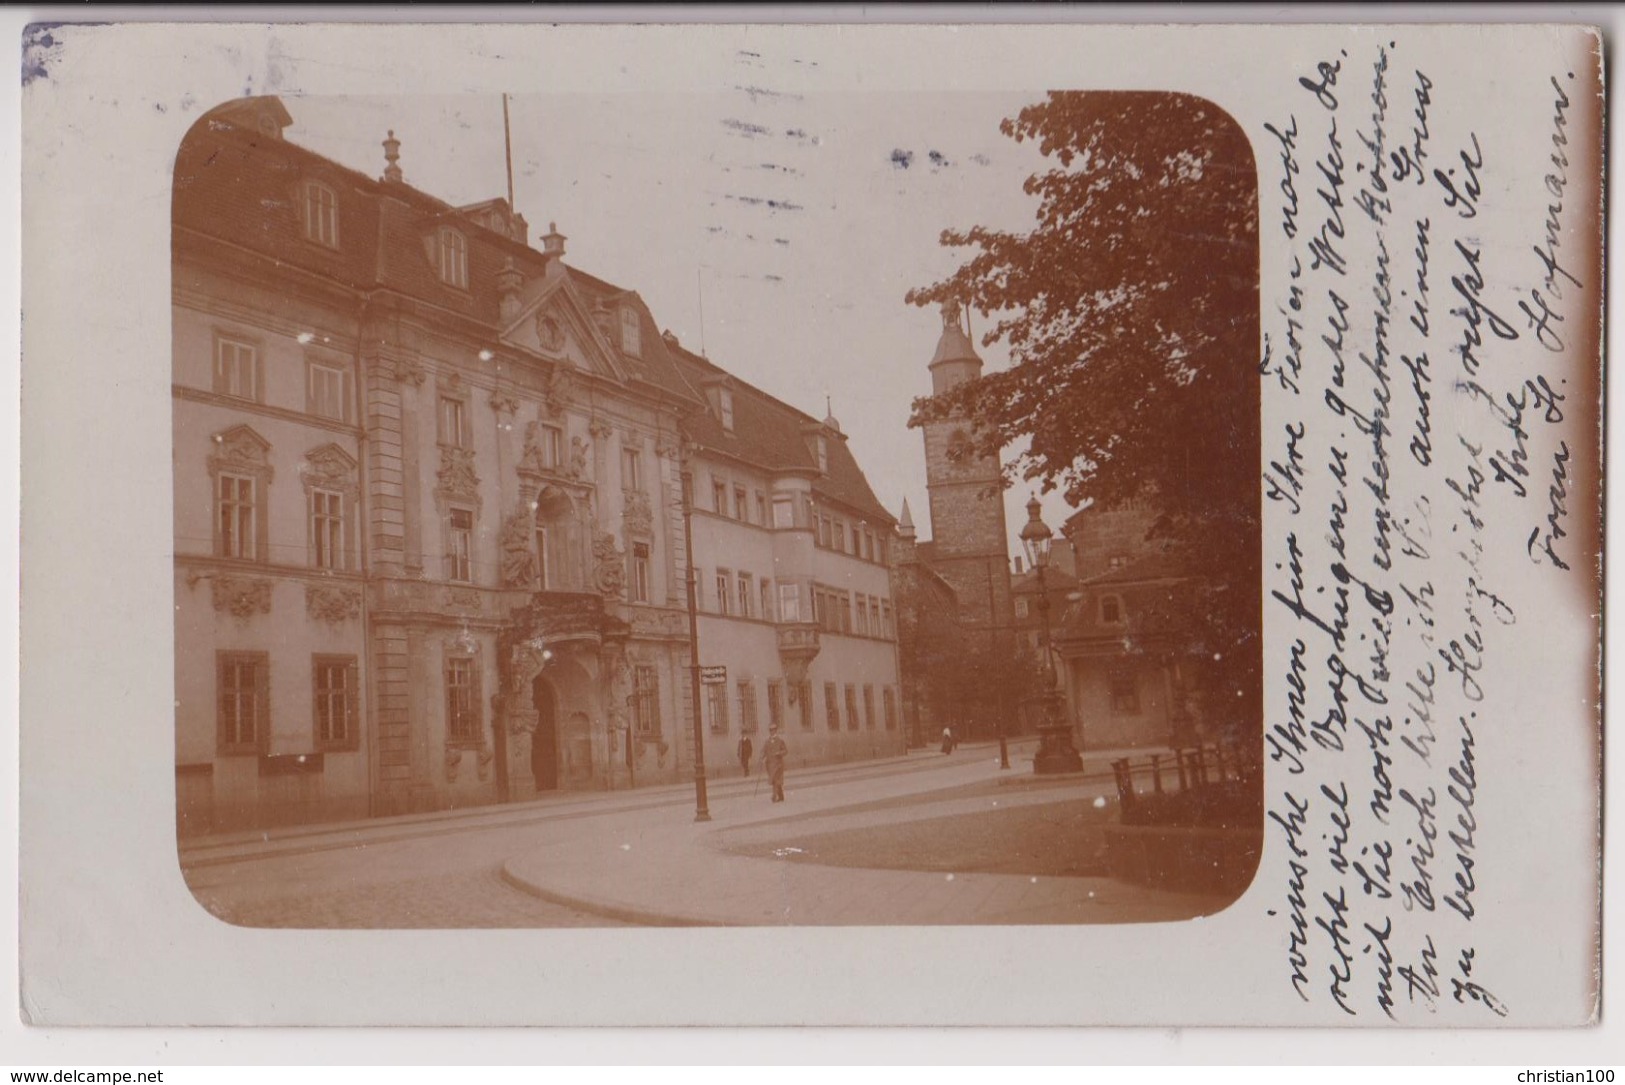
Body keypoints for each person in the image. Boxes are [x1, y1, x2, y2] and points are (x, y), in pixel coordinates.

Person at [762, 724, 788, 802]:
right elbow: (764, 751)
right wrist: (762, 758)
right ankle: (781, 796)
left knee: (776, 779)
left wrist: (779, 753)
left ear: (776, 730)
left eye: (773, 730)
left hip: (778, 764)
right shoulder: (767, 742)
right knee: (774, 780)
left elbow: (785, 751)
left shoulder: (780, 741)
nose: (772, 732)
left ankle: (774, 796)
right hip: (769, 764)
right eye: (770, 730)